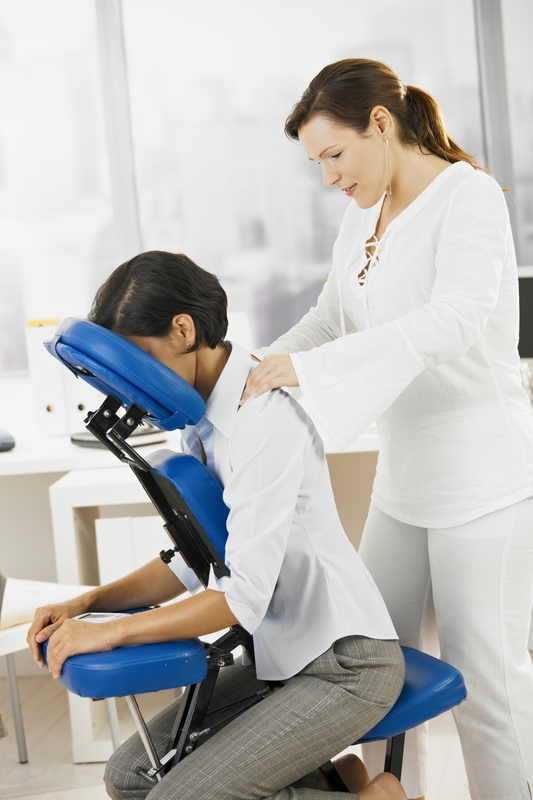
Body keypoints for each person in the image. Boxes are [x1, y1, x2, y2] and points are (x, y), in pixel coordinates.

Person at [241, 58, 533, 800]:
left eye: (334, 156)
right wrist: (270, 362)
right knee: (371, 678)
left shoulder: (466, 198)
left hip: (483, 479)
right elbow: (330, 316)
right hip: (403, 483)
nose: (329, 178)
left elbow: (455, 319)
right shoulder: (359, 216)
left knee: (486, 688)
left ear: (380, 123)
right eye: (316, 164)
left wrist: (317, 371)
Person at [27, 251, 408, 800]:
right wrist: (89, 604)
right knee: (131, 776)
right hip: (281, 658)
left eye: (138, 360)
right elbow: (195, 559)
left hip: (344, 663)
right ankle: (337, 785)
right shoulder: (201, 423)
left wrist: (111, 631)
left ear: (183, 330)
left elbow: (242, 597)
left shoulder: (262, 419)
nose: (134, 387)